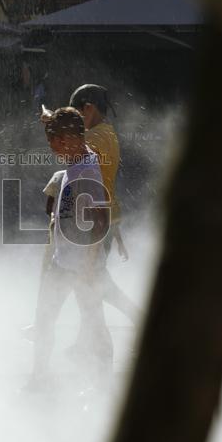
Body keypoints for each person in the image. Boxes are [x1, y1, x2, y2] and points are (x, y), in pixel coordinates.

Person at [27, 107, 112, 392]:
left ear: (69, 140)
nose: (55, 151)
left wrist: (88, 267)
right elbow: (67, 121)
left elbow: (101, 221)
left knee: (94, 322)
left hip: (82, 266)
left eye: (57, 145)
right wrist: (49, 120)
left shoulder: (86, 170)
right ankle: (39, 379)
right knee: (45, 319)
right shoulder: (80, 155)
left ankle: (102, 383)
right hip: (64, 262)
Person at [68, 83, 139, 328]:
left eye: (76, 114)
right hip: (103, 218)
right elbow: (107, 183)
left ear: (88, 109)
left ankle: (132, 318)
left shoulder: (93, 137)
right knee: (88, 281)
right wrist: (116, 230)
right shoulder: (108, 134)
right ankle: (88, 339)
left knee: (92, 280)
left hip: (93, 222)